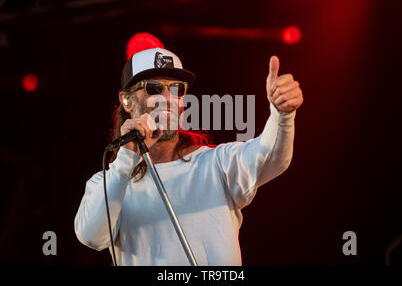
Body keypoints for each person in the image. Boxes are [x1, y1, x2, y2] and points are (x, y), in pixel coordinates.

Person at [74, 47, 304, 265]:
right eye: (153, 88)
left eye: (176, 89)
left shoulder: (215, 164)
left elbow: (271, 157)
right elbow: (92, 236)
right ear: (127, 100)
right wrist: (125, 161)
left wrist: (282, 114)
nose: (167, 98)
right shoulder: (109, 183)